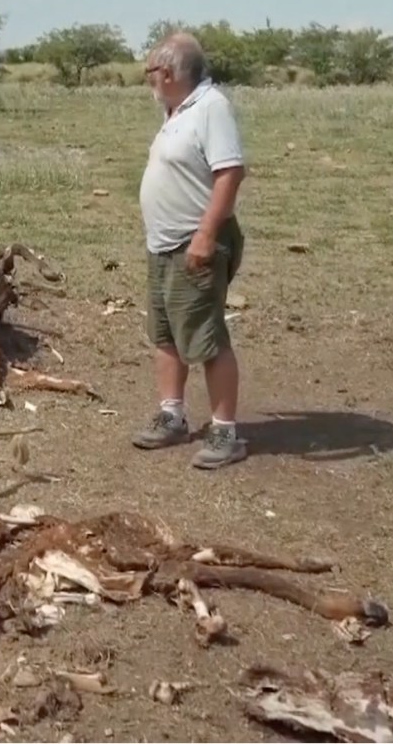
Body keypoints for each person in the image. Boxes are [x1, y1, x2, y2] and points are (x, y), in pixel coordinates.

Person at [132, 32, 249, 469]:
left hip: (193, 242)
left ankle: (225, 432)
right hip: (162, 245)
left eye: (149, 73)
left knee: (206, 337)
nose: (147, 82)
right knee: (166, 335)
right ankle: (172, 415)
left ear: (166, 72)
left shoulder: (211, 107)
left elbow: (230, 173)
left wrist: (204, 236)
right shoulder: (177, 111)